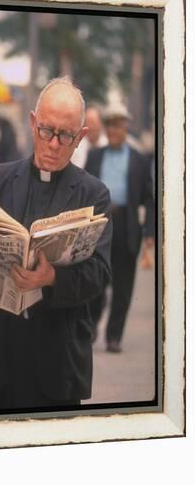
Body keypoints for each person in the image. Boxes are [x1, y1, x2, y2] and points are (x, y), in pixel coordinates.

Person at [0, 77, 112, 412]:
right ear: (32, 123)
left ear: (81, 137)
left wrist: (52, 278)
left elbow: (99, 274)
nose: (54, 143)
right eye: (46, 130)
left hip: (55, 364)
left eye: (66, 135)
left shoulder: (93, 194)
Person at [85, 105, 154, 353]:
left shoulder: (140, 160)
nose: (114, 130)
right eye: (110, 125)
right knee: (94, 280)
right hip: (99, 224)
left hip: (126, 226)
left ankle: (114, 336)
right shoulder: (95, 156)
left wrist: (149, 234)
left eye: (119, 125)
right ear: (106, 128)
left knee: (124, 287)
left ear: (126, 128)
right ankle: (91, 327)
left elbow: (149, 198)